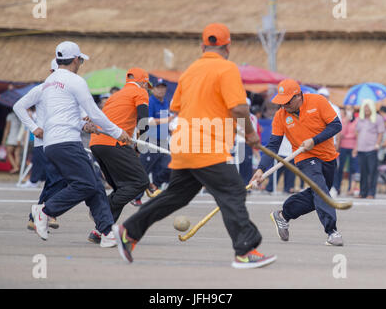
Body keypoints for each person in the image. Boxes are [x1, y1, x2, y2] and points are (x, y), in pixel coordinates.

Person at [113, 23, 276, 269]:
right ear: (228, 46)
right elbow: (240, 107)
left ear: (202, 46)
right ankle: (245, 251)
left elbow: (177, 106)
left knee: (176, 195)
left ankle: (129, 231)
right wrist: (251, 135)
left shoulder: (189, 72)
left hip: (183, 143)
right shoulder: (226, 68)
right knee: (233, 191)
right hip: (207, 146)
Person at [30, 41, 131, 246]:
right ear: (76, 59)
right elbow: (94, 113)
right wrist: (118, 132)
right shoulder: (75, 81)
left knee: (94, 184)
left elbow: (60, 115)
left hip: (53, 143)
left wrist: (82, 125)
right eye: (81, 60)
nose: (81, 63)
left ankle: (106, 232)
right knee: (85, 184)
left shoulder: (49, 82)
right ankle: (45, 211)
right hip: (66, 142)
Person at [251, 79, 343, 246]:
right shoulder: (280, 116)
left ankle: (284, 215)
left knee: (320, 193)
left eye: (287, 102)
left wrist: (314, 140)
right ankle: (332, 231)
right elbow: (272, 145)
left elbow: (336, 126)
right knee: (319, 190)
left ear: (298, 96)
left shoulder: (318, 102)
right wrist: (261, 169)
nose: (283, 106)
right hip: (305, 158)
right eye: (281, 102)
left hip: (328, 156)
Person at [88, 67, 151, 243]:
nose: (147, 88)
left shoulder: (116, 96)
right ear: (144, 82)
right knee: (141, 182)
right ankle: (101, 211)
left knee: (122, 188)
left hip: (97, 143)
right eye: (147, 85)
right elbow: (143, 120)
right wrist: (140, 147)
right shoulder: (140, 92)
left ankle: (100, 231)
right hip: (114, 143)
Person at [14, 59, 67, 230]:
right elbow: (19, 106)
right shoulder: (41, 89)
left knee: (57, 180)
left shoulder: (64, 91)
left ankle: (39, 215)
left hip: (59, 141)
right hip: (44, 143)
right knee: (56, 179)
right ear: (52, 72)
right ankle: (46, 213)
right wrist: (34, 128)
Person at [139, 78, 173, 193]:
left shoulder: (165, 102)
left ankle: (155, 186)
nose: (161, 90)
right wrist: (167, 120)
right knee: (144, 170)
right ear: (153, 89)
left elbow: (166, 121)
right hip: (150, 140)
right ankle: (136, 196)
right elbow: (148, 121)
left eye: (163, 87)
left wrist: (170, 128)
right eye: (158, 87)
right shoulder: (150, 101)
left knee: (169, 167)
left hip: (163, 140)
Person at [353, 99, 385, 199]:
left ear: (372, 108)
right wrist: (356, 148)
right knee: (363, 172)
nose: (366, 109)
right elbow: (357, 133)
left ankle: (371, 193)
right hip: (361, 149)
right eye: (364, 107)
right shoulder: (360, 119)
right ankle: (362, 192)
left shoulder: (378, 118)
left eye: (368, 107)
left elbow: (380, 133)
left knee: (372, 172)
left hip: (372, 149)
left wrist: (377, 144)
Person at [332, 105, 357, 196]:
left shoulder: (356, 121)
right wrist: (346, 121)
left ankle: (350, 188)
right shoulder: (342, 121)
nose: (349, 110)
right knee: (340, 168)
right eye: (347, 109)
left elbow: (356, 134)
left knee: (352, 168)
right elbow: (341, 133)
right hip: (343, 146)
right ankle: (337, 187)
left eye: (351, 109)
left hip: (352, 146)